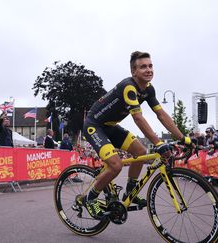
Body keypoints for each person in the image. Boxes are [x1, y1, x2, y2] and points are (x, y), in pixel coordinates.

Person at [80, 51, 192, 219]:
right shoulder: (129, 87)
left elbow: (161, 115)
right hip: (94, 126)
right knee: (116, 165)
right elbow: (138, 118)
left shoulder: (149, 89)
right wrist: (159, 143)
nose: (148, 70)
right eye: (143, 67)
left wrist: (184, 138)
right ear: (133, 71)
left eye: (150, 66)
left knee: (140, 152)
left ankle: (129, 192)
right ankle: (90, 198)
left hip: (110, 126)